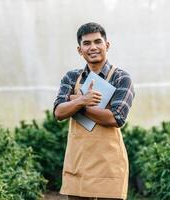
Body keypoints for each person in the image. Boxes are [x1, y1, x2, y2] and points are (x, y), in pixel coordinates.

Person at [53, 22, 135, 200]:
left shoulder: (121, 78)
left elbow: (115, 117)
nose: (93, 47)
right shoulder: (71, 77)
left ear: (107, 45)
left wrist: (75, 103)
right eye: (87, 43)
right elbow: (59, 112)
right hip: (78, 162)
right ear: (79, 50)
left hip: (109, 165)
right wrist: (84, 100)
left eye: (98, 42)